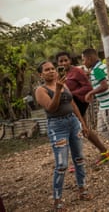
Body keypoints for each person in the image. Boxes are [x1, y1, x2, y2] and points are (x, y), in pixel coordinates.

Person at [35, 61, 91, 212]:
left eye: (53, 68)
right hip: (57, 126)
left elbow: (72, 104)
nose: (51, 71)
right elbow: (51, 108)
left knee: (79, 158)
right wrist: (58, 90)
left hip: (73, 123)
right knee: (61, 165)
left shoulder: (63, 84)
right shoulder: (41, 90)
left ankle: (82, 189)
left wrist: (82, 123)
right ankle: (57, 200)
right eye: (47, 70)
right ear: (41, 74)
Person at [56, 51, 109, 166]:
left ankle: (100, 153)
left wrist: (71, 93)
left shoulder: (77, 72)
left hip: (79, 103)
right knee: (83, 129)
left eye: (65, 60)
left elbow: (88, 87)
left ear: (70, 61)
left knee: (82, 129)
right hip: (70, 104)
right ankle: (103, 152)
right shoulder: (61, 74)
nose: (63, 63)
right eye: (60, 61)